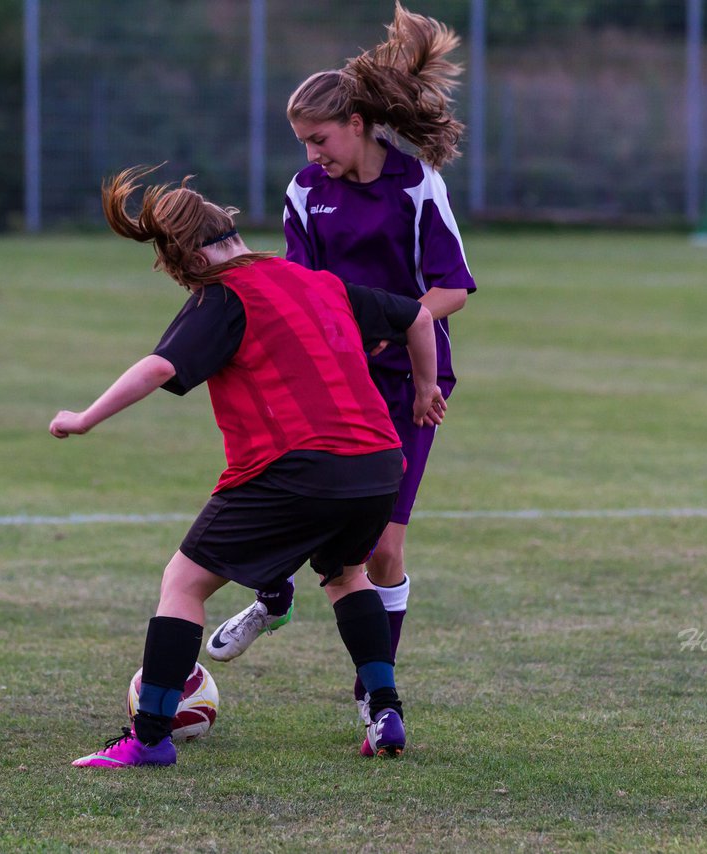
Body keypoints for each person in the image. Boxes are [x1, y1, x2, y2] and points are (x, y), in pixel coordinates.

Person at [53, 165, 445, 767]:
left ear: (184, 257)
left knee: (183, 583)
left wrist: (85, 417)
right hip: (377, 462)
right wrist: (423, 391)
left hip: (298, 466)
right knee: (346, 576)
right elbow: (419, 317)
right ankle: (386, 714)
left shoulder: (224, 294)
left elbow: (160, 367)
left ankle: (149, 738)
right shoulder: (316, 282)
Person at [206, 2, 475, 750]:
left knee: (381, 548)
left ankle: (374, 693)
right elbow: (301, 288)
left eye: (318, 138)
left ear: (357, 124)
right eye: (302, 143)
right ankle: (273, 594)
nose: (312, 153)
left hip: (409, 385)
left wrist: (396, 328)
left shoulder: (415, 185)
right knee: (298, 496)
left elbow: (452, 287)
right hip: (333, 378)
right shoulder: (304, 192)